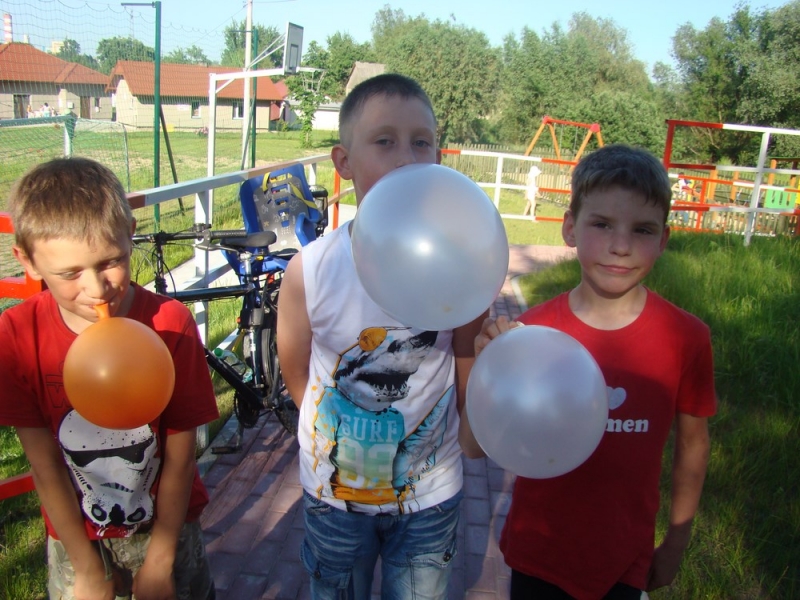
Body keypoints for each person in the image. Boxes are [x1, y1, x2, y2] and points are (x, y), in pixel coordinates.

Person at [460, 144, 717, 600]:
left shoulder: (687, 338)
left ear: (663, 240)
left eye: (642, 229)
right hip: (537, 554)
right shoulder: (530, 333)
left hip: (623, 562)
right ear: (570, 228)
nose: (621, 245)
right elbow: (473, 447)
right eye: (601, 224)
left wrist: (677, 541)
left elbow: (693, 445)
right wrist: (487, 371)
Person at [276, 73, 484, 599]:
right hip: (334, 500)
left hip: (430, 497)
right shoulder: (312, 270)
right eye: (385, 141)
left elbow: (464, 358)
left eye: (422, 142)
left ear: (439, 156)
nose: (406, 159)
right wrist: (335, 430)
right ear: (344, 162)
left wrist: (469, 437)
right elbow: (296, 370)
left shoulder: (462, 268)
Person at [0, 157, 219, 600]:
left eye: (112, 261)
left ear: (130, 233)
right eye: (70, 273)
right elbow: (45, 466)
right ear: (28, 260)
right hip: (75, 537)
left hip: (166, 528)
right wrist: (86, 568)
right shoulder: (17, 335)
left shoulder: (170, 325)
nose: (97, 289)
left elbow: (180, 457)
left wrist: (161, 559)